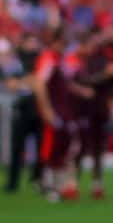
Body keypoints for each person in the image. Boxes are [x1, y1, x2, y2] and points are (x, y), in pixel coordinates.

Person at [35, 27, 79, 203]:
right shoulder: (48, 59)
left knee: (63, 147)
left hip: (64, 109)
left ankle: (58, 186)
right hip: (56, 109)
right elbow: (40, 84)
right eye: (61, 42)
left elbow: (66, 84)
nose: (63, 46)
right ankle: (50, 185)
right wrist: (46, 109)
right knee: (53, 147)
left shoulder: (60, 60)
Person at [74, 31, 113, 200]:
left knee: (99, 147)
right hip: (84, 109)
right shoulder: (80, 62)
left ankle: (97, 183)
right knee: (81, 146)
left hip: (100, 109)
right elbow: (80, 81)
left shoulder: (105, 60)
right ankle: (73, 182)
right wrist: (103, 76)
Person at [2, 30, 44, 194]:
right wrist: (29, 82)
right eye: (30, 41)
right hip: (21, 108)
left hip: (37, 107)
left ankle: (37, 179)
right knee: (17, 148)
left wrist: (26, 82)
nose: (33, 45)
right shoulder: (16, 62)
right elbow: (11, 84)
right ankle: (13, 182)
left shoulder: (41, 60)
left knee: (41, 147)